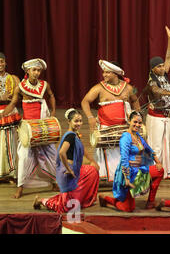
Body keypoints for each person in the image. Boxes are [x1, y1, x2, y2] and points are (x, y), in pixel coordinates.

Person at [0, 58, 58, 199]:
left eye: (39, 70)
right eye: (34, 70)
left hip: (42, 125)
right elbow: (13, 103)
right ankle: (21, 186)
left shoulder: (45, 85)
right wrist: (3, 114)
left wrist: (53, 114)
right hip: (28, 127)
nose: (37, 73)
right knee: (24, 156)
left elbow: (51, 96)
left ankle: (54, 181)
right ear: (28, 71)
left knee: (51, 154)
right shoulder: (20, 87)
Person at [81, 59, 140, 182]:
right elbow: (85, 101)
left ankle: (123, 177)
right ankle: (107, 177)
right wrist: (90, 117)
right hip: (106, 128)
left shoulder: (128, 88)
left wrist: (137, 116)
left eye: (107, 72)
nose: (104, 75)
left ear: (115, 73)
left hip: (124, 128)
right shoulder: (99, 88)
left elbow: (135, 100)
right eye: (104, 72)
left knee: (123, 152)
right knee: (107, 154)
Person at [32, 109, 100, 213]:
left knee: (92, 171)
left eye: (80, 121)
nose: (79, 124)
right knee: (66, 207)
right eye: (76, 121)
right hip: (68, 173)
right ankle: (42, 201)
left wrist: (92, 161)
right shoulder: (70, 136)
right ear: (69, 122)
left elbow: (82, 148)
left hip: (74, 170)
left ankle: (81, 199)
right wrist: (69, 169)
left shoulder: (75, 134)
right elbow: (61, 152)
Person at [98, 111, 164, 211]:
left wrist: (158, 162)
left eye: (139, 123)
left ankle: (150, 202)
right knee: (128, 208)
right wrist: (127, 179)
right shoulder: (125, 138)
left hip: (140, 171)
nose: (137, 125)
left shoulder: (138, 137)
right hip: (129, 174)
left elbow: (149, 150)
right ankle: (106, 199)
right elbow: (124, 160)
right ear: (129, 121)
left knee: (160, 170)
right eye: (135, 122)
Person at [142, 26, 170, 179]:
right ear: (153, 69)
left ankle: (165, 172)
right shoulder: (151, 80)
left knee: (165, 146)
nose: (162, 67)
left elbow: (168, 58)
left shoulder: (162, 74)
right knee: (156, 146)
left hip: (166, 115)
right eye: (159, 66)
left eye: (162, 66)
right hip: (156, 117)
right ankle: (153, 172)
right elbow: (156, 91)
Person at [0, 52, 21, 182]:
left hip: (9, 111)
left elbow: (18, 96)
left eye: (1, 61)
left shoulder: (13, 78)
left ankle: (11, 172)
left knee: (10, 143)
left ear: (5, 63)